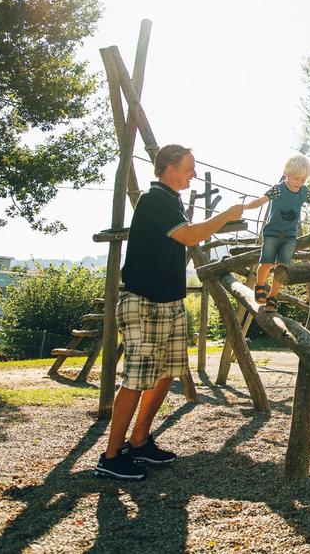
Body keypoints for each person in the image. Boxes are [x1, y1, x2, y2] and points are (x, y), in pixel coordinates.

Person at [94, 145, 245, 481]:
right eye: (188, 168)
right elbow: (191, 235)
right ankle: (110, 456)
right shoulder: (156, 199)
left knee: (168, 373)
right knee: (137, 379)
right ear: (167, 168)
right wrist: (225, 215)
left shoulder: (172, 200)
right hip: (144, 302)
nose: (192, 174)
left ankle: (139, 440)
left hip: (170, 302)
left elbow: (188, 234)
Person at [244, 154, 310, 312]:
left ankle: (272, 297)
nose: (300, 183)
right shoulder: (279, 189)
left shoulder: (303, 191)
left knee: (282, 267)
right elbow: (261, 200)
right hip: (272, 233)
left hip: (289, 236)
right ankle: (259, 284)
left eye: (303, 180)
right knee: (267, 263)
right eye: (297, 178)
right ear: (287, 174)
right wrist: (245, 207)